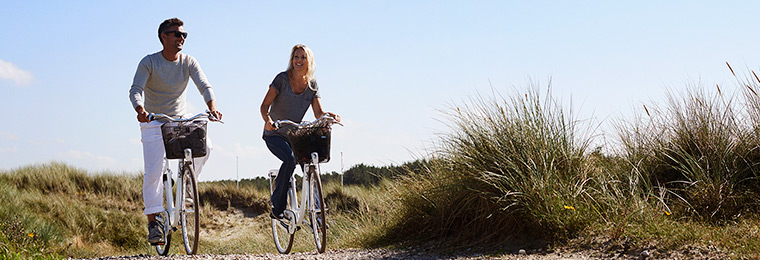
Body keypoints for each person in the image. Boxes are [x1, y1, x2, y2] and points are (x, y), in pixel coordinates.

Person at [128, 17, 223, 245]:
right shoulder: (149, 62)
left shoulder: (188, 62)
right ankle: (154, 222)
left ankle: (188, 185)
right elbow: (135, 89)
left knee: (206, 146)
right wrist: (140, 110)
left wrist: (212, 108)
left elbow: (204, 86)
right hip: (154, 120)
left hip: (179, 120)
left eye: (184, 35)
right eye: (177, 34)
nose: (182, 38)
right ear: (164, 37)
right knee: (153, 171)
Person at [260, 44, 340, 219]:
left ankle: (318, 215)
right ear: (292, 59)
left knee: (311, 166)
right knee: (290, 159)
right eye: (296, 57)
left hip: (295, 136)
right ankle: (277, 205)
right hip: (275, 134)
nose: (298, 60)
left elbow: (318, 113)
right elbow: (264, 105)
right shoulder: (281, 79)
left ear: (309, 60)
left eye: (303, 57)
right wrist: (268, 121)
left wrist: (329, 115)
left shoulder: (312, 85)